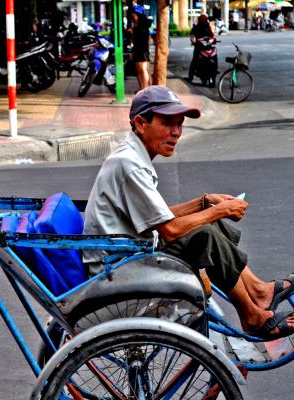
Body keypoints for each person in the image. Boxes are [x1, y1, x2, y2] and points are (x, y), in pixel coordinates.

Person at [83, 85, 294, 340]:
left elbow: (158, 216)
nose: (176, 133)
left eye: (179, 124)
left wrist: (205, 203)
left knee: (212, 223)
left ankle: (258, 291)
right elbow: (170, 229)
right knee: (204, 234)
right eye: (168, 124)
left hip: (131, 253)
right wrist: (219, 211)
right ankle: (251, 313)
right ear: (140, 123)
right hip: (121, 267)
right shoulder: (129, 165)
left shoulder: (133, 158)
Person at [187, 14, 217, 84]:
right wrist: (193, 42)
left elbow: (212, 35)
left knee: (214, 56)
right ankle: (190, 76)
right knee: (194, 60)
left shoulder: (207, 26)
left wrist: (214, 39)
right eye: (203, 20)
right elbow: (192, 35)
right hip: (199, 47)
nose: (204, 21)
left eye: (205, 20)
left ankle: (215, 69)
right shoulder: (196, 27)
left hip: (208, 47)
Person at [131, 4, 151, 90]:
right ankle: (142, 88)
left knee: (143, 69)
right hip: (138, 49)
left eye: (134, 14)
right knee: (139, 70)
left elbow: (147, 40)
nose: (133, 16)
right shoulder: (137, 26)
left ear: (138, 15)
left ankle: (145, 88)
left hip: (142, 50)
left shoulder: (142, 27)